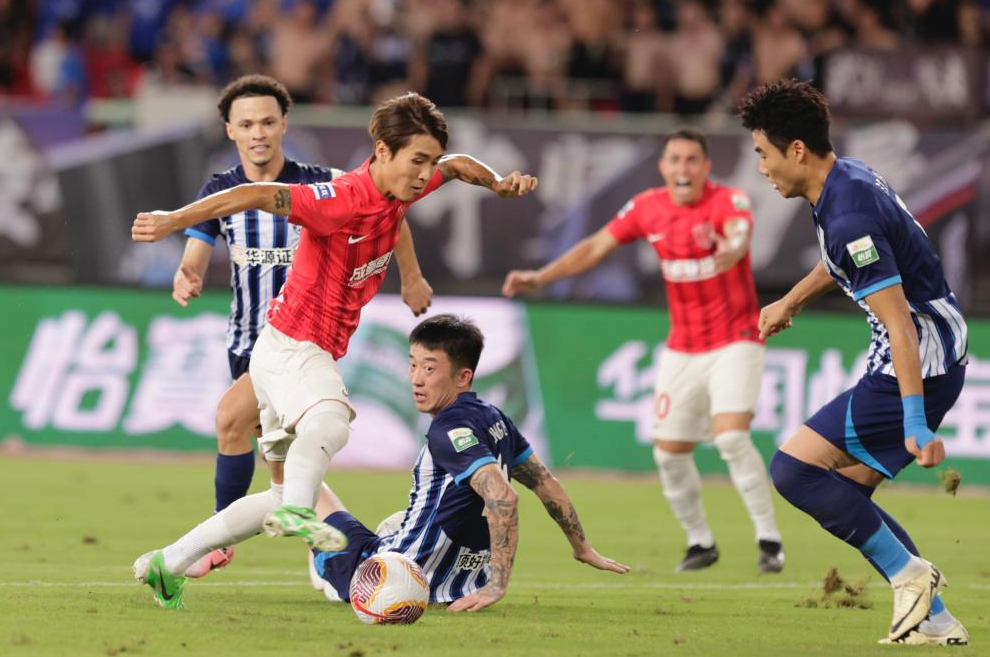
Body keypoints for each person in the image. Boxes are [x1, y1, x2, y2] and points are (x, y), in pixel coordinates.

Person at [131, 91, 538, 609]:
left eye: (429, 161)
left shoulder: (403, 186)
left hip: (284, 350)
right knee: (331, 419)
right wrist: (173, 220)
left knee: (278, 491)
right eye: (417, 160)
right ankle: (300, 511)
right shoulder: (340, 198)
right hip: (295, 349)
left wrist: (496, 182)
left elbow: (457, 166)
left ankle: (167, 562)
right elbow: (254, 194)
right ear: (383, 151)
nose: (424, 174)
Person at [171, 74, 433, 578]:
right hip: (246, 342)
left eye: (268, 121)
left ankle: (221, 542)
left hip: (298, 341)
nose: (259, 132)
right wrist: (188, 276)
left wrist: (412, 276)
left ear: (284, 125)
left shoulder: (326, 182)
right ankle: (337, 554)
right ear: (230, 131)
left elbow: (390, 213)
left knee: (231, 420)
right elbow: (194, 255)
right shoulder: (221, 192)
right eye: (247, 124)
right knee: (282, 464)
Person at [739, 79, 969, 646]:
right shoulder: (848, 177)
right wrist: (791, 301)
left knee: (793, 471)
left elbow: (901, 325)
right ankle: (935, 621)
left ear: (797, 150)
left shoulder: (847, 220)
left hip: (919, 357)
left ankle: (911, 576)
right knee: (844, 493)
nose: (761, 168)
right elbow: (843, 262)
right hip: (930, 349)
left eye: (764, 154)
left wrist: (914, 421)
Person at [502, 127, 784, 574]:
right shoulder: (648, 207)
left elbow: (737, 234)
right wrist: (541, 277)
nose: (683, 168)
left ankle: (769, 541)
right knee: (669, 453)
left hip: (737, 339)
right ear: (663, 167)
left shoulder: (729, 201)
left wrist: (730, 250)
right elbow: (596, 246)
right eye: (675, 160)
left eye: (692, 160)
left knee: (731, 437)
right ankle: (700, 542)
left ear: (706, 167)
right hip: (682, 347)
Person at [308, 314, 629, 610]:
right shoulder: (496, 418)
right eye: (412, 365)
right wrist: (582, 547)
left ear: (463, 376)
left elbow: (503, 497)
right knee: (397, 519)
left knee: (306, 481)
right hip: (461, 586)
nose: (416, 379)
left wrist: (497, 587)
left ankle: (323, 565)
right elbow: (546, 484)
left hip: (390, 578)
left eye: (429, 369)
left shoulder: (447, 430)